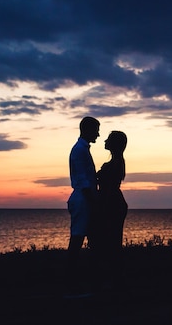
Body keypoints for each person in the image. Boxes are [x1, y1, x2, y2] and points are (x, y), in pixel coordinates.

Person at [66, 116, 100, 295]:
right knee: (77, 239)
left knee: (82, 239)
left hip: (84, 198)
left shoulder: (82, 149)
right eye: (96, 130)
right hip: (83, 199)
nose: (98, 134)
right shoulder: (80, 150)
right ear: (87, 129)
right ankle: (71, 283)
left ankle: (80, 280)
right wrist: (95, 202)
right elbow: (83, 181)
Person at [94, 130, 128, 288]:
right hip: (112, 202)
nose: (104, 141)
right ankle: (113, 276)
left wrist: (102, 207)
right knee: (111, 241)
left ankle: (113, 278)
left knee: (112, 241)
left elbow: (109, 188)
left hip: (112, 204)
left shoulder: (116, 163)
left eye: (108, 139)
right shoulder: (116, 162)